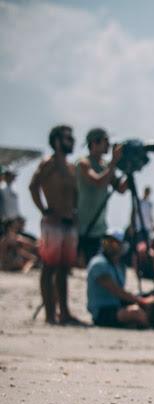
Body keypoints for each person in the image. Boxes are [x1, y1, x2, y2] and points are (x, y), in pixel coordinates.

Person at [29, 125, 81, 325]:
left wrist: (75, 212)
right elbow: (33, 186)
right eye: (68, 138)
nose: (72, 141)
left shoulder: (70, 167)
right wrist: (43, 209)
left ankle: (64, 312)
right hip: (53, 221)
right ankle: (50, 314)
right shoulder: (49, 164)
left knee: (63, 268)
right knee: (49, 267)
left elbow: (75, 194)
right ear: (58, 141)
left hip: (68, 222)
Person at [86, 230, 154, 328]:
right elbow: (116, 291)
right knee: (136, 312)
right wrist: (143, 301)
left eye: (114, 243)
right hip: (102, 312)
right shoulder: (98, 263)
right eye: (106, 242)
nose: (109, 246)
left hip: (117, 306)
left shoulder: (120, 266)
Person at [76, 128, 126, 265]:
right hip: (83, 226)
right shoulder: (83, 163)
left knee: (98, 263)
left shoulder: (105, 165)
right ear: (94, 143)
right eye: (106, 141)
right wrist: (114, 162)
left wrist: (131, 168)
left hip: (100, 227)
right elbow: (97, 181)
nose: (109, 145)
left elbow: (120, 189)